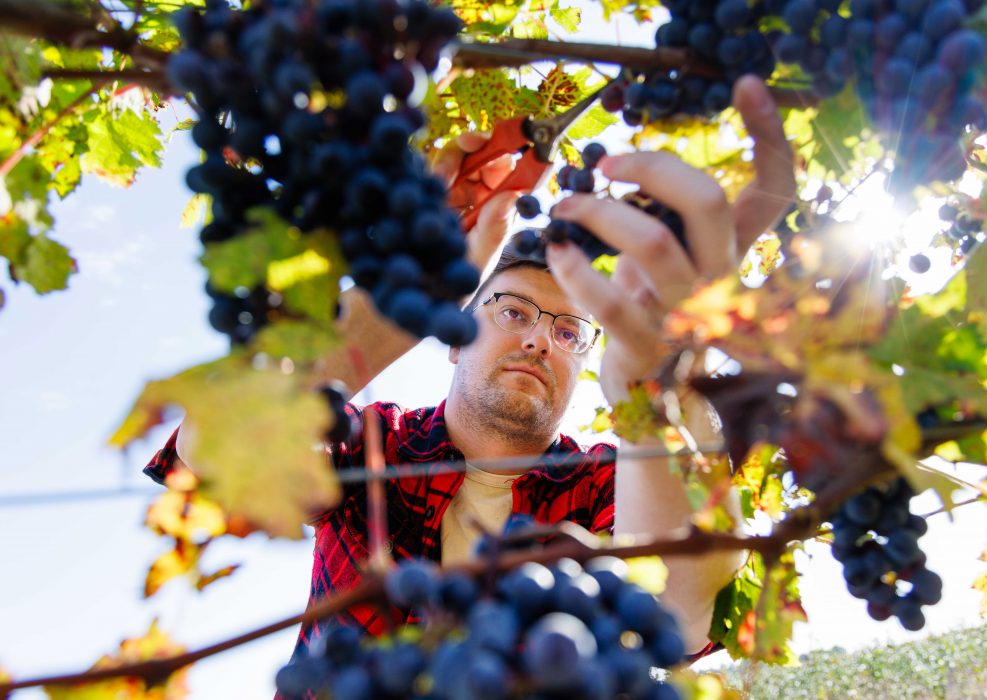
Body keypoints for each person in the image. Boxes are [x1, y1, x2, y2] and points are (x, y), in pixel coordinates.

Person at [144, 74, 795, 663]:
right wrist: (399, 301)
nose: (542, 341)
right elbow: (211, 460)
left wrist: (656, 391)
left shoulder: (604, 480)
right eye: (513, 312)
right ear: (453, 335)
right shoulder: (372, 448)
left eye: (569, 330)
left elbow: (676, 606)